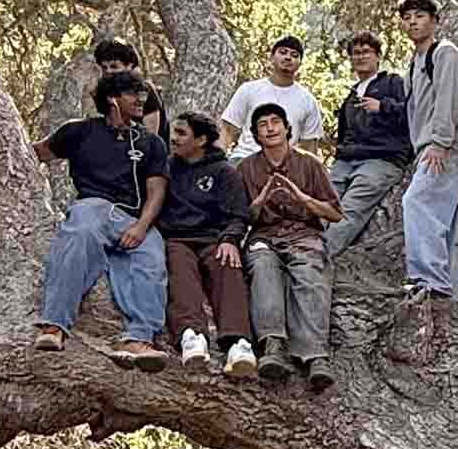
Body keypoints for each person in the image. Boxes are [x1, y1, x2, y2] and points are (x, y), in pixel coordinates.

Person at [32, 70, 170, 369]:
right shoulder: (79, 131)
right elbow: (34, 153)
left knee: (152, 255)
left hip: (133, 218)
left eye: (142, 94)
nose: (141, 100)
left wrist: (141, 227)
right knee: (79, 234)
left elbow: (156, 191)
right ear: (112, 98)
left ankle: (139, 339)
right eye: (133, 94)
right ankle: (54, 326)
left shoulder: (151, 143)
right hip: (92, 206)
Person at [237, 103, 342, 388]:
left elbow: (335, 213)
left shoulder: (308, 163)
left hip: (303, 235)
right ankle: (273, 345)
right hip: (264, 236)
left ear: (287, 129)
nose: (270, 128)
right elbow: (240, 217)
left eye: (275, 122)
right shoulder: (246, 168)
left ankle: (315, 356)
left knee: (309, 273)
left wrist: (305, 200)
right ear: (256, 134)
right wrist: (260, 200)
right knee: (262, 267)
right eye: (262, 125)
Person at [159, 112, 258, 378]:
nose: (173, 138)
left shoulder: (224, 172)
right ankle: (192, 337)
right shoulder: (167, 167)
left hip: (214, 238)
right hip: (177, 238)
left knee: (228, 266)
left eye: (181, 133)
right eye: (174, 131)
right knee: (179, 272)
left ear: (201, 140)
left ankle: (238, 344)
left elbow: (238, 214)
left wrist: (230, 240)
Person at [395, 0, 458, 341]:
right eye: (407, 17)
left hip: (446, 145)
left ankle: (429, 282)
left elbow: (450, 99)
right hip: (427, 146)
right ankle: (452, 293)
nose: (413, 22)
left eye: (420, 16)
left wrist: (440, 141)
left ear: (435, 20)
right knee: (445, 220)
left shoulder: (446, 53)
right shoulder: (415, 60)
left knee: (417, 203)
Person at [324, 31, 412, 257]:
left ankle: (318, 256)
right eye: (355, 53)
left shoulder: (394, 82)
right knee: (322, 204)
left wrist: (382, 106)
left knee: (351, 210)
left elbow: (413, 113)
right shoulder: (351, 97)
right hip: (346, 161)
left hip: (381, 160)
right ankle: (300, 250)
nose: (360, 57)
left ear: (378, 56)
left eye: (366, 52)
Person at [220, 35, 327, 160]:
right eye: (283, 52)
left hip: (283, 167)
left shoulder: (308, 101)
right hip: (244, 158)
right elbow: (227, 130)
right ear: (272, 57)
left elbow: (309, 147)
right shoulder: (249, 89)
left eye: (294, 55)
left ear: (300, 63)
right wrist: (216, 162)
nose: (288, 57)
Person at [92, 39, 166, 140]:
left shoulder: (145, 90)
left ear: (129, 66)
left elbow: (151, 137)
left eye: (114, 66)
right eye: (104, 67)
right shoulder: (106, 91)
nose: (108, 71)